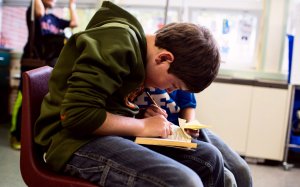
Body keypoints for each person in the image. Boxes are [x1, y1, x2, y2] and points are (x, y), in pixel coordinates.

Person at [35, 1, 222, 186]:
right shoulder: (117, 43)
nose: (167, 91)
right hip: (70, 142)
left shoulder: (138, 53)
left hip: (101, 134)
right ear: (164, 58)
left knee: (210, 159)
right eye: (173, 85)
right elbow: (77, 115)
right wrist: (141, 126)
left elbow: (107, 102)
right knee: (185, 182)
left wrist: (141, 115)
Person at [135, 87, 253, 187]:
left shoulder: (183, 68)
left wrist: (189, 123)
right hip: (154, 133)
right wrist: (141, 116)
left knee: (241, 169)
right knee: (227, 178)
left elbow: (188, 104)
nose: (170, 89)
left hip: (181, 128)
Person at [10, 0, 78, 150]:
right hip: (32, 61)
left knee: (41, 99)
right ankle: (16, 134)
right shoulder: (34, 10)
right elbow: (39, 12)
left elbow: (74, 23)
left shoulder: (54, 19)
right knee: (24, 98)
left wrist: (72, 5)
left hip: (47, 64)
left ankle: (31, 135)